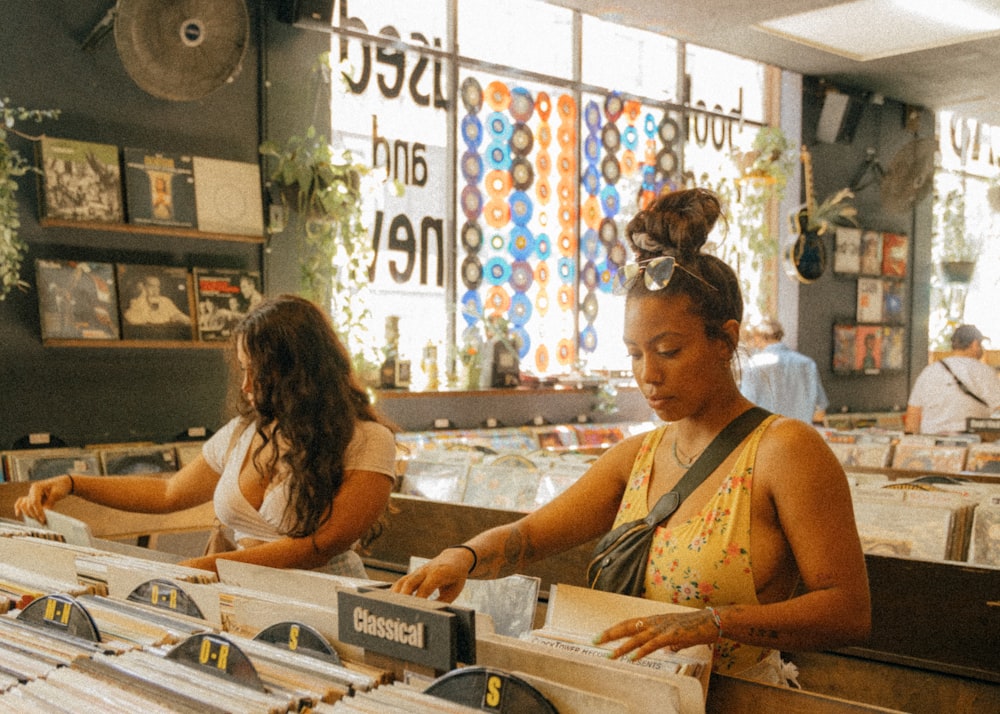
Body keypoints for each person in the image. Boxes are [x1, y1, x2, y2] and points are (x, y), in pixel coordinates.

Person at [393, 188, 870, 683]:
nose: (648, 375)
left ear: (725, 340)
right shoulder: (638, 457)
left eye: (667, 350)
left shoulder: (784, 451)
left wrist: (712, 623)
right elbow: (529, 536)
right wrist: (461, 558)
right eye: (635, 354)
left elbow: (847, 611)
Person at [16, 294, 398, 577]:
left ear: (300, 372)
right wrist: (72, 483)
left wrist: (211, 566)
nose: (246, 386)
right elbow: (168, 493)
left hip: (323, 604)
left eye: (259, 373)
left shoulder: (367, 440)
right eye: (243, 370)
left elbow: (319, 547)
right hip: (241, 594)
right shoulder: (244, 433)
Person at [904, 324, 1000, 434]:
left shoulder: (929, 371)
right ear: (975, 344)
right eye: (981, 345)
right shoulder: (983, 371)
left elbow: (913, 415)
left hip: (932, 442)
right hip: (971, 441)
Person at [740, 317, 829, 424]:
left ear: (758, 337)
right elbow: (820, 412)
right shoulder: (807, 364)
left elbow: (745, 408)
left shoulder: (754, 365)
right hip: (800, 434)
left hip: (768, 436)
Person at [122, 274, 192, 326]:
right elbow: (131, 319)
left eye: (158, 286)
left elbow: (183, 318)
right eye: (151, 286)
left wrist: (180, 317)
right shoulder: (137, 302)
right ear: (143, 287)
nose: (155, 290)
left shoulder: (165, 301)